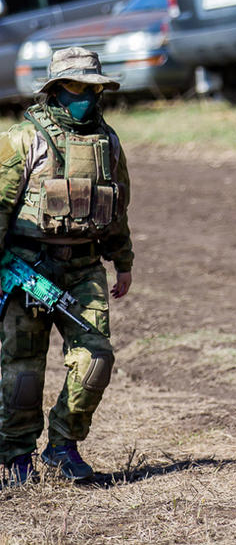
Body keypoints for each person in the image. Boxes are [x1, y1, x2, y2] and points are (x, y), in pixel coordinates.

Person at [0, 47, 133, 486]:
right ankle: (15, 456)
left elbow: (117, 206)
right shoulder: (24, 138)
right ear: (56, 90)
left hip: (84, 269)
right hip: (26, 270)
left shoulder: (109, 142)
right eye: (78, 87)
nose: (88, 97)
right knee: (22, 371)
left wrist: (122, 260)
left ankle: (62, 446)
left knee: (96, 359)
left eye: (95, 89)